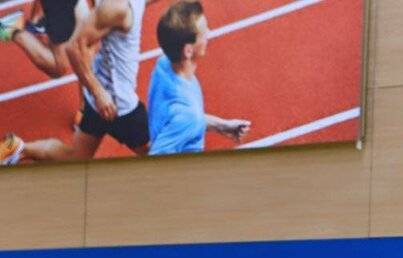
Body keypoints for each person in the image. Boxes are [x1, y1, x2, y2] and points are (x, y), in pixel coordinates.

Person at [1, 0, 151, 164]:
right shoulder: (117, 7)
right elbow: (74, 48)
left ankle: (18, 148)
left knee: (76, 157)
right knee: (157, 151)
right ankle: (14, 30)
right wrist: (98, 92)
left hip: (98, 101)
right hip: (117, 104)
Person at [148, 1, 251, 156]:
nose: (209, 34)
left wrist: (221, 126)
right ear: (188, 51)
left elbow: (180, 118)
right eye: (203, 33)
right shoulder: (188, 116)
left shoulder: (163, 65)